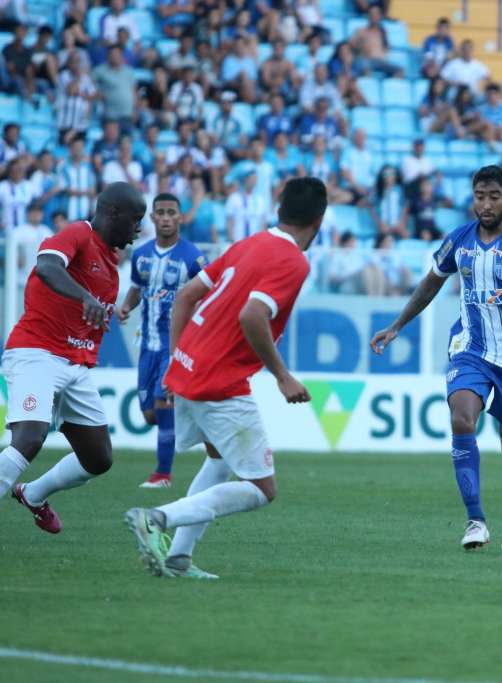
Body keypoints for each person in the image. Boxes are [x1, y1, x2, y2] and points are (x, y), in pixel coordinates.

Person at [125, 177, 327, 580]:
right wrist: (282, 376)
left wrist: (175, 360)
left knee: (218, 460)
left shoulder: (249, 243)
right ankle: (157, 518)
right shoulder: (293, 261)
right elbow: (252, 315)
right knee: (261, 489)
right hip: (219, 381)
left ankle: (179, 558)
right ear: (318, 220)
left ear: (278, 207)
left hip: (188, 368)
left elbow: (185, 296)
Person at [370, 166, 502, 551]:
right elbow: (431, 282)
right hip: (470, 349)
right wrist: (398, 325)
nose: (485, 203)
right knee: (462, 416)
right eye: (479, 195)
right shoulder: (459, 241)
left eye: (494, 195)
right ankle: (475, 520)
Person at [0, 183, 146, 532]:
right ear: (112, 213)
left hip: (72, 364)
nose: (138, 229)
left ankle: (32, 494)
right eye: (135, 219)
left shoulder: (110, 267)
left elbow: (87, 321)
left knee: (98, 458)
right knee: (30, 438)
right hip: (36, 352)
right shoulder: (78, 233)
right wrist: (86, 298)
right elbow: (47, 266)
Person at [116, 194, 205, 488]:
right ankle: (195, 418)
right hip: (147, 346)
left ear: (180, 218)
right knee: (151, 414)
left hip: (175, 345)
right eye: (161, 213)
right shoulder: (140, 255)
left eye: (171, 213)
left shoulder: (193, 258)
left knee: (163, 405)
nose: (166, 218)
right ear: (152, 219)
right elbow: (137, 289)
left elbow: (209, 296)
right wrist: (127, 306)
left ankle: (162, 475)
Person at [351, 5, 403, 78]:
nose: (374, 16)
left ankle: (387, 88)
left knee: (400, 71)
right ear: (368, 16)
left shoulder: (383, 32)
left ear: (380, 16)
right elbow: (351, 46)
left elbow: (387, 48)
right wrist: (360, 49)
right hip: (366, 60)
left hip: (381, 62)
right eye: (372, 14)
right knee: (365, 68)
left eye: (376, 14)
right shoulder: (361, 31)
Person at [11, 202, 53, 285]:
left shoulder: (47, 231)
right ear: (28, 214)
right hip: (22, 279)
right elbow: (11, 253)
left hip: (43, 279)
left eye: (38, 212)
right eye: (33, 212)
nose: (36, 214)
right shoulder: (18, 231)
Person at [225, 171, 269, 243]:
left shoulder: (260, 200)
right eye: (251, 179)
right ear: (245, 179)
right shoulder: (233, 198)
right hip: (237, 241)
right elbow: (229, 220)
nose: (253, 181)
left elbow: (263, 223)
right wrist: (231, 239)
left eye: (255, 179)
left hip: (255, 243)